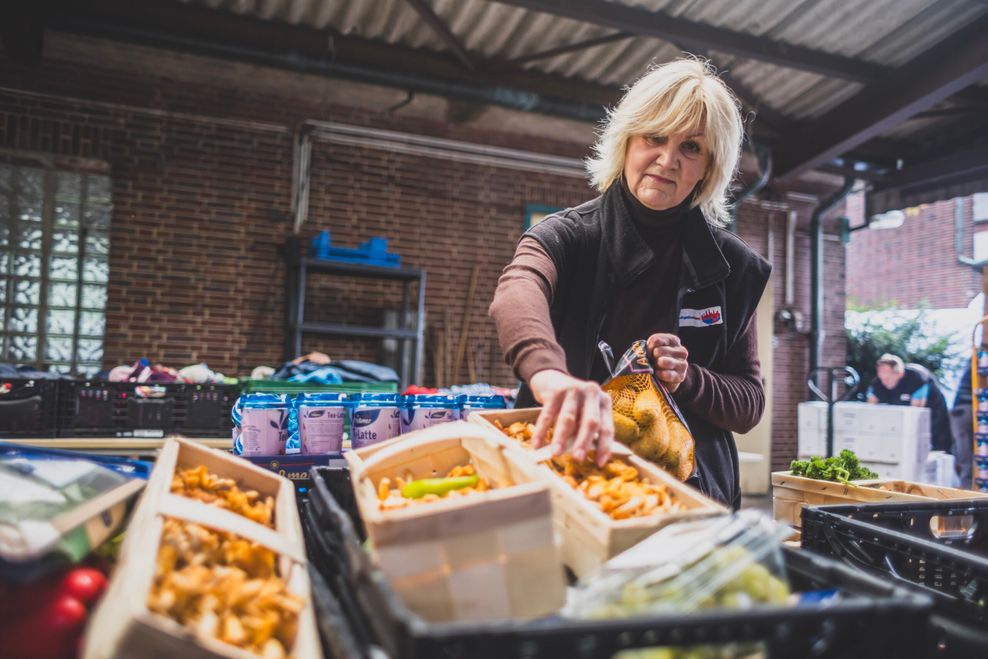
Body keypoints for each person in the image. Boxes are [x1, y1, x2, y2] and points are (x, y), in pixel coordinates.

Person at [489, 58, 771, 509]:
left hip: (690, 501)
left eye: (691, 148)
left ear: (709, 166)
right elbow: (517, 290)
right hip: (568, 481)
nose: (667, 160)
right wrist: (550, 376)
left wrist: (687, 379)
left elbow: (749, 403)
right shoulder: (567, 235)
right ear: (626, 143)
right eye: (654, 138)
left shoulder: (732, 268)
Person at [865, 354, 953, 453]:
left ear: (899, 373)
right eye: (882, 378)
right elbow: (870, 409)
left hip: (934, 417)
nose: (884, 382)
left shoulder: (916, 378)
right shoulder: (879, 383)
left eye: (887, 378)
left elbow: (916, 415)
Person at [949, 361, 974, 487]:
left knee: (965, 459)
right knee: (967, 461)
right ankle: (971, 496)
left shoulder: (976, 357)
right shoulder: (980, 357)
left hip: (961, 409)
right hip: (969, 408)